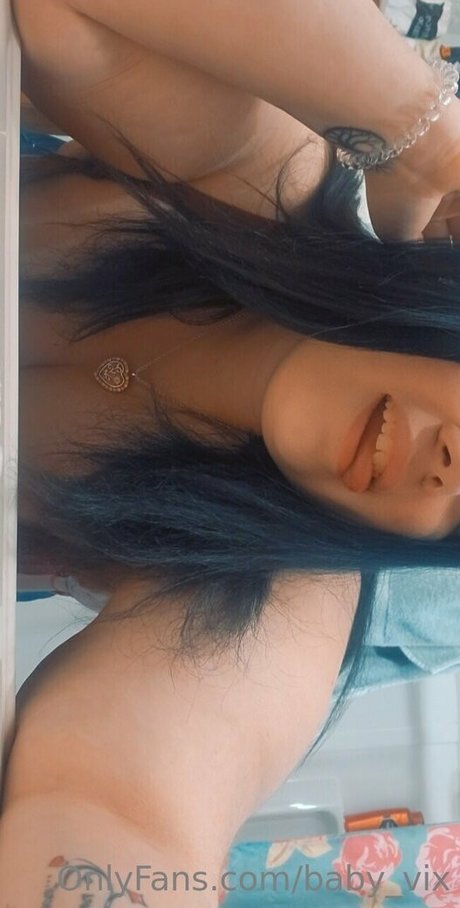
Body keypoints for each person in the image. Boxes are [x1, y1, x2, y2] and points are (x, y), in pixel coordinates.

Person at [3, 0, 460, 903]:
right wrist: (432, 138)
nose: (452, 469)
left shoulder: (282, 608)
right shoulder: (266, 187)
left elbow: (121, 805)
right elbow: (64, 18)